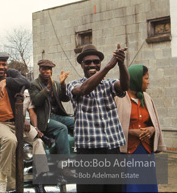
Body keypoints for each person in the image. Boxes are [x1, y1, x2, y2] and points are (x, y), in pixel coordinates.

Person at [66, 44, 129, 193]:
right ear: (81, 65)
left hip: (112, 149)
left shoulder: (109, 84)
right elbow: (83, 90)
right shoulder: (73, 85)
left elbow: (125, 86)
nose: (92, 65)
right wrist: (108, 67)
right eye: (87, 62)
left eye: (96, 61)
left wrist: (121, 64)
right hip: (89, 152)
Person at [0, 52, 46, 192]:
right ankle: (3, 180)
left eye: (4, 64)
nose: (1, 67)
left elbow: (26, 82)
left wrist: (5, 82)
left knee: (38, 140)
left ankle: (40, 180)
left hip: (15, 122)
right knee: (10, 141)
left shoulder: (10, 77)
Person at [116, 64, 166, 192]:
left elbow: (154, 122)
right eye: (146, 78)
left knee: (147, 186)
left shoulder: (147, 98)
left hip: (145, 151)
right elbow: (112, 125)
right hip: (127, 152)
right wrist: (131, 132)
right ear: (136, 79)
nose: (148, 82)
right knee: (132, 187)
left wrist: (152, 129)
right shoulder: (118, 98)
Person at [29, 60, 73, 156]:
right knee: (62, 128)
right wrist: (48, 88)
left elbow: (66, 98)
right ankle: (64, 164)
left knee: (77, 123)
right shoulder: (34, 84)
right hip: (44, 119)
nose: (47, 71)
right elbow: (36, 101)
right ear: (39, 70)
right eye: (44, 69)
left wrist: (63, 85)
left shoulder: (56, 84)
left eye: (49, 69)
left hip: (57, 116)